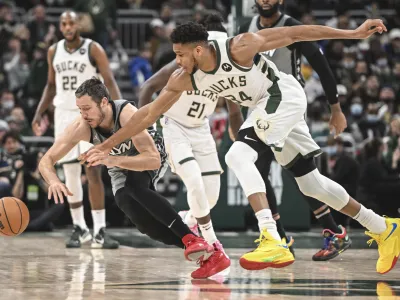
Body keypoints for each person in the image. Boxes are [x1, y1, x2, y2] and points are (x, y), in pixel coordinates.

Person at [80, 19, 400, 275]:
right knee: (313, 184)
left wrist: (352, 33)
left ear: (200, 50)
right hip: (267, 110)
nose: (176, 62)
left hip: (281, 96)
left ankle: (272, 238)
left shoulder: (239, 46)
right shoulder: (183, 77)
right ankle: (383, 227)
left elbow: (295, 33)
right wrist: (106, 146)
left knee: (237, 154)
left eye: (180, 54)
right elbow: (148, 114)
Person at [38, 78, 214, 275]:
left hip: (151, 152)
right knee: (137, 217)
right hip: (117, 163)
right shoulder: (81, 126)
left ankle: (192, 239)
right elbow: (46, 160)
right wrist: (53, 180)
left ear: (104, 102)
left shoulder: (126, 114)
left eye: (87, 108)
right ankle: (201, 251)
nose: (83, 114)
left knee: (135, 186)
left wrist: (112, 160)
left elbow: (152, 160)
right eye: (80, 109)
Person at [238, 0, 351, 261]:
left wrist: (336, 108)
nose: (266, 0)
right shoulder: (247, 27)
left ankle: (313, 234)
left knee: (300, 173)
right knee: (259, 170)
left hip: (287, 105)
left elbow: (321, 65)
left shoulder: (291, 26)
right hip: (258, 107)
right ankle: (283, 237)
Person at [137, 15, 236, 278]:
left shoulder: (224, 66)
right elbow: (148, 87)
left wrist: (237, 137)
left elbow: (234, 104)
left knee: (211, 195)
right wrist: (143, 132)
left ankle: (188, 219)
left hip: (201, 127)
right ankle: (215, 247)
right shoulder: (182, 63)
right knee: (193, 179)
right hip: (175, 126)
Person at [31, 10, 122, 249]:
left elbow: (109, 81)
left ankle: (100, 230)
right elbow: (51, 85)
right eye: (64, 23)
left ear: (79, 24)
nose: (68, 26)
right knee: (70, 172)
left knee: (93, 169)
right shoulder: (54, 51)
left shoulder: (93, 49)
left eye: (71, 22)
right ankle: (79, 227)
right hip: (62, 114)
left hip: (89, 114)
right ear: (60, 27)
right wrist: (39, 112)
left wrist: (120, 111)